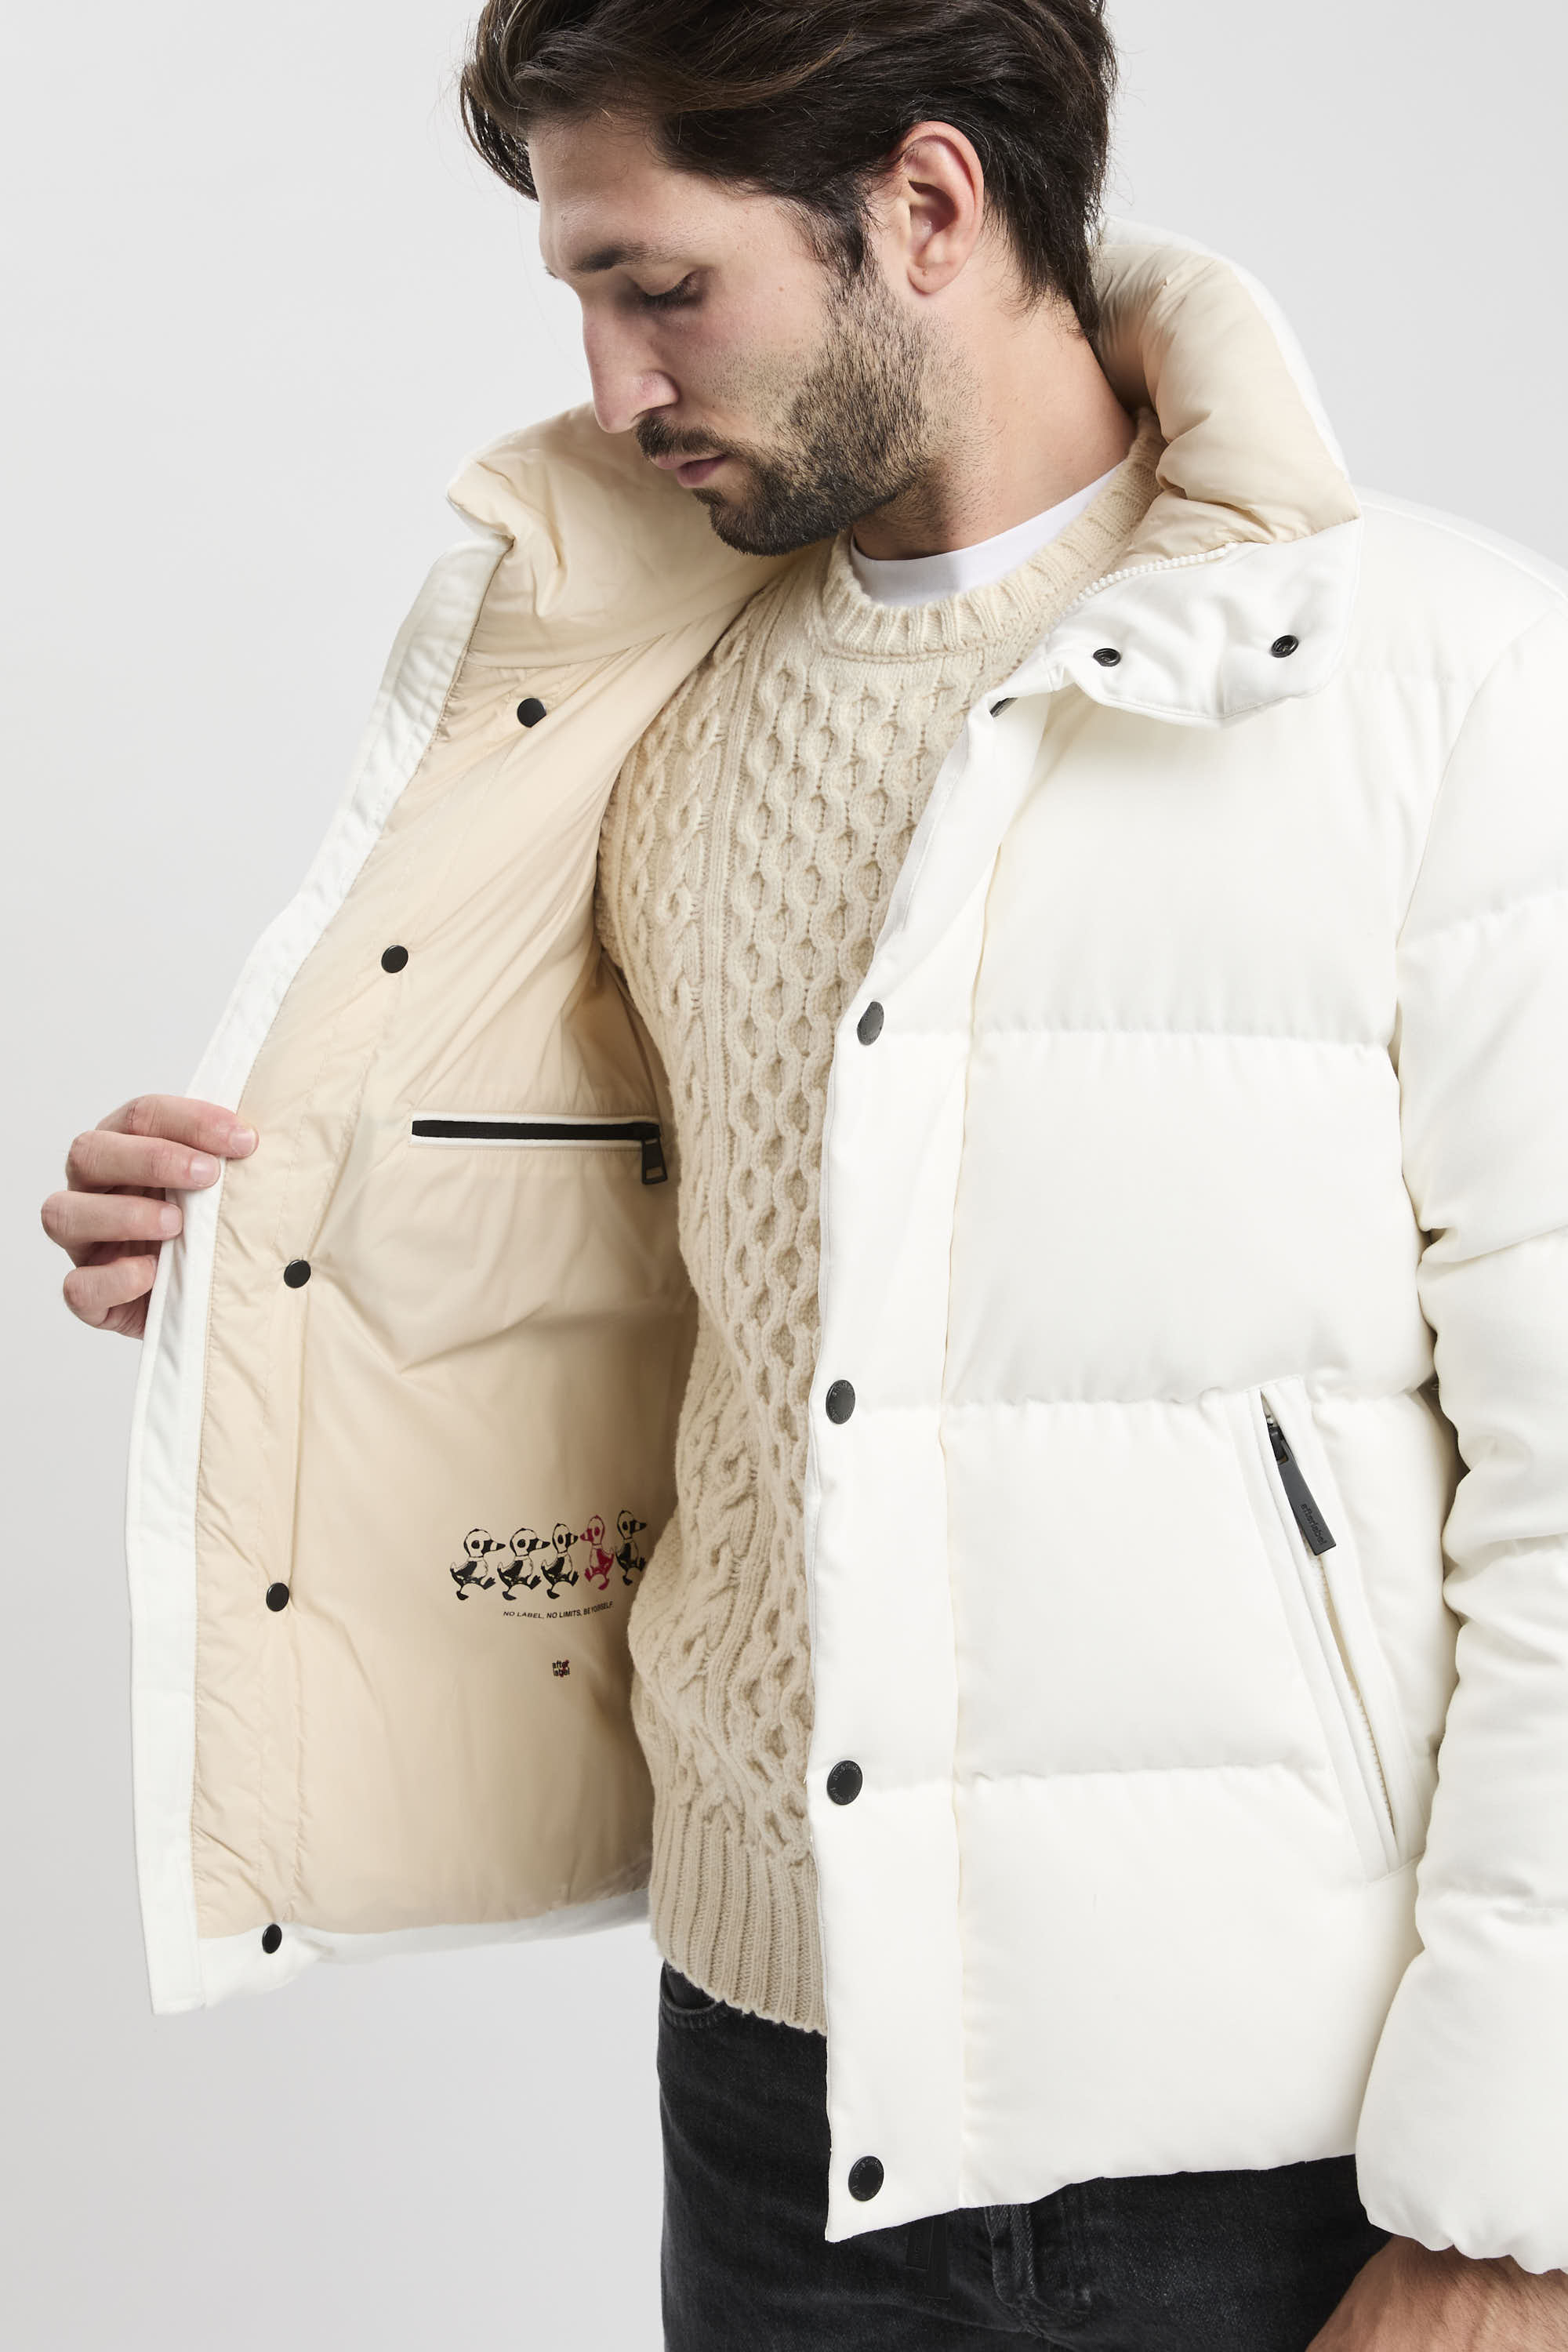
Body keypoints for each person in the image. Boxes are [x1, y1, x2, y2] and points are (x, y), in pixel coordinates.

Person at [40, 3, 1568, 2346]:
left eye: (662, 285)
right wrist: (273, 1263)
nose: (611, 383)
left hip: (1262, 2146)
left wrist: (1506, 2209)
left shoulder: (1437, 680)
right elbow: (667, 1290)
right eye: (581, 298)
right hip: (767, 2094)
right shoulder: (641, 704)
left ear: (926, 206)